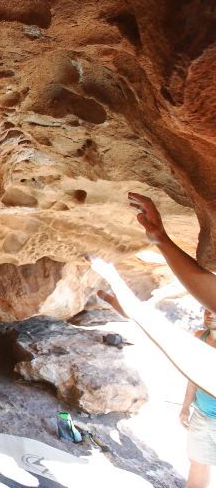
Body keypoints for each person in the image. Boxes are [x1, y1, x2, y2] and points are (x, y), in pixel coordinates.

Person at [97, 192, 216, 488]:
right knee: (198, 467)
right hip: (204, 416)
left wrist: (137, 313)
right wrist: (160, 238)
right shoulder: (201, 337)